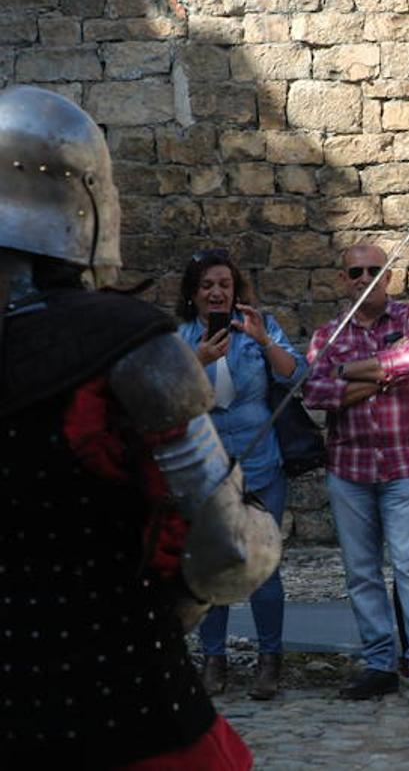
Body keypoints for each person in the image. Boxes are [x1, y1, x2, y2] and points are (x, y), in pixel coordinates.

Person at [0, 86, 279, 767]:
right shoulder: (129, 343)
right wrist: (262, 533)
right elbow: (228, 552)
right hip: (119, 700)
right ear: (85, 200)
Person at [301, 243, 409, 713]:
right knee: (361, 574)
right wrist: (370, 379)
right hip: (350, 468)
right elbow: (314, 389)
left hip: (405, 465)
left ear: (388, 276)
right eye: (355, 272)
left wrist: (347, 372)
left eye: (374, 270)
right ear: (344, 280)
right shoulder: (328, 332)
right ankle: (380, 665)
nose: (365, 278)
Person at [176, 247, 306, 700]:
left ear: (236, 291)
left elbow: (296, 376)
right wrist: (197, 362)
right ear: (194, 294)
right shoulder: (179, 337)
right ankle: (215, 660)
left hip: (259, 462)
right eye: (207, 286)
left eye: (224, 285)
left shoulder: (259, 327)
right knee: (212, 564)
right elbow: (164, 395)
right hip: (207, 465)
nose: (216, 292)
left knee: (263, 566)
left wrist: (265, 341)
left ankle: (270, 660)